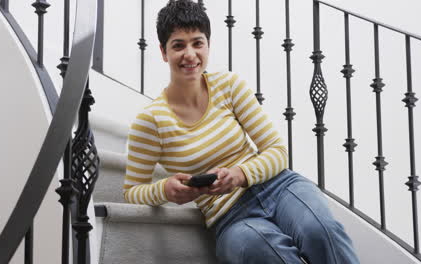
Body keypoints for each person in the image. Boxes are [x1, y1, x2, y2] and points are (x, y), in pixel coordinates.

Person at [123, 0, 359, 263]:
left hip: (278, 186)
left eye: (197, 43)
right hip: (230, 217)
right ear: (164, 52)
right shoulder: (150, 121)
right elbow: (132, 191)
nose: (190, 54)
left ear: (207, 46)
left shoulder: (229, 86)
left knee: (320, 231)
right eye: (179, 45)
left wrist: (239, 174)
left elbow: (278, 152)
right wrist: (165, 190)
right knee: (265, 252)